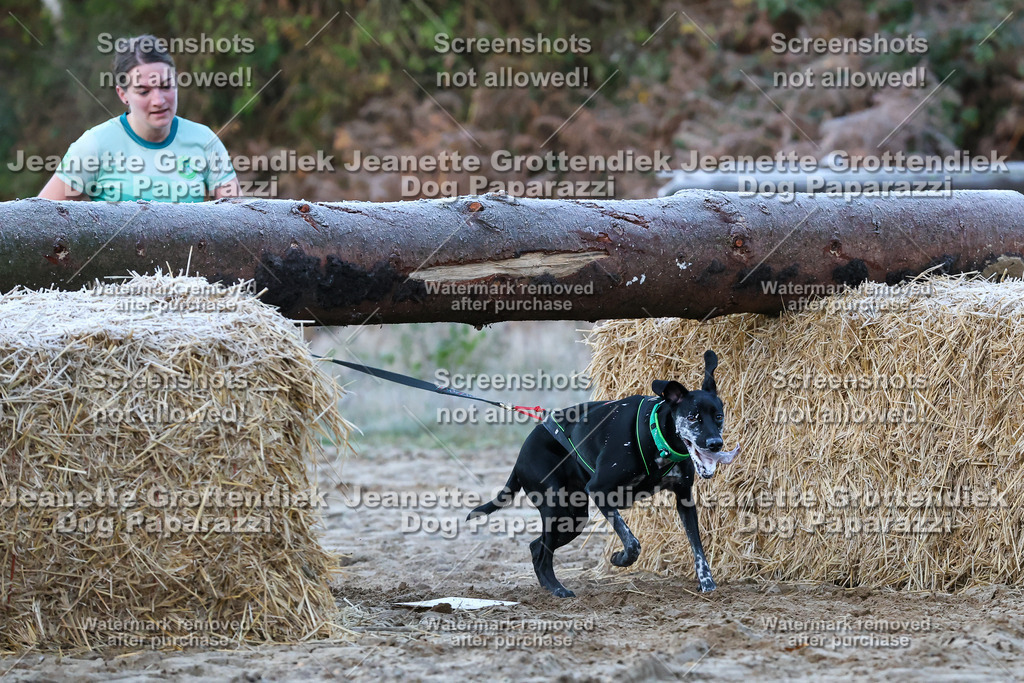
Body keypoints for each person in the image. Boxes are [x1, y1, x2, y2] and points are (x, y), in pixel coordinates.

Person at [39, 34, 240, 202]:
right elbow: (41, 222)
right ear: (123, 94)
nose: (158, 100)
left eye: (165, 86)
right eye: (144, 91)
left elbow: (239, 223)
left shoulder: (205, 141)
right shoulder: (94, 146)